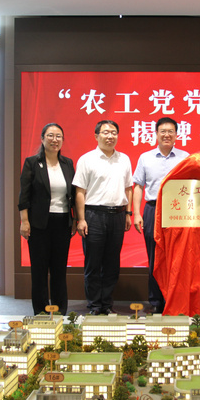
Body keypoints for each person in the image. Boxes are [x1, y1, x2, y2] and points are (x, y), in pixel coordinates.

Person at [73, 120, 133, 315]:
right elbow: (80, 191)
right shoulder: (86, 159)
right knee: (93, 263)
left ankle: (107, 304)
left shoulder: (124, 159)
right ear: (96, 136)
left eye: (114, 132)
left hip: (118, 215)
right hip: (94, 215)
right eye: (106, 132)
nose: (110, 136)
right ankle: (94, 305)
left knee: (112, 263)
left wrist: (128, 213)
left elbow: (128, 188)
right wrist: (81, 219)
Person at [132, 117, 189, 314]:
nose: (166, 135)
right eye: (163, 131)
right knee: (154, 256)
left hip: (178, 211)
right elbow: (138, 186)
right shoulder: (145, 158)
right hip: (153, 209)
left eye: (170, 131)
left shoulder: (185, 157)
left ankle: (175, 299)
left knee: (177, 258)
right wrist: (137, 213)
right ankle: (156, 301)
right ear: (156, 134)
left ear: (176, 135)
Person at [18, 123, 76, 315]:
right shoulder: (32, 163)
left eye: (58, 136)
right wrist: (24, 221)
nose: (54, 140)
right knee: (39, 270)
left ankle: (60, 311)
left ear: (63, 140)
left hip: (62, 222)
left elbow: (73, 193)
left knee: (59, 270)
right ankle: (41, 312)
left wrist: (75, 218)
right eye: (50, 136)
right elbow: (24, 195)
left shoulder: (67, 163)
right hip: (38, 223)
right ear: (42, 138)